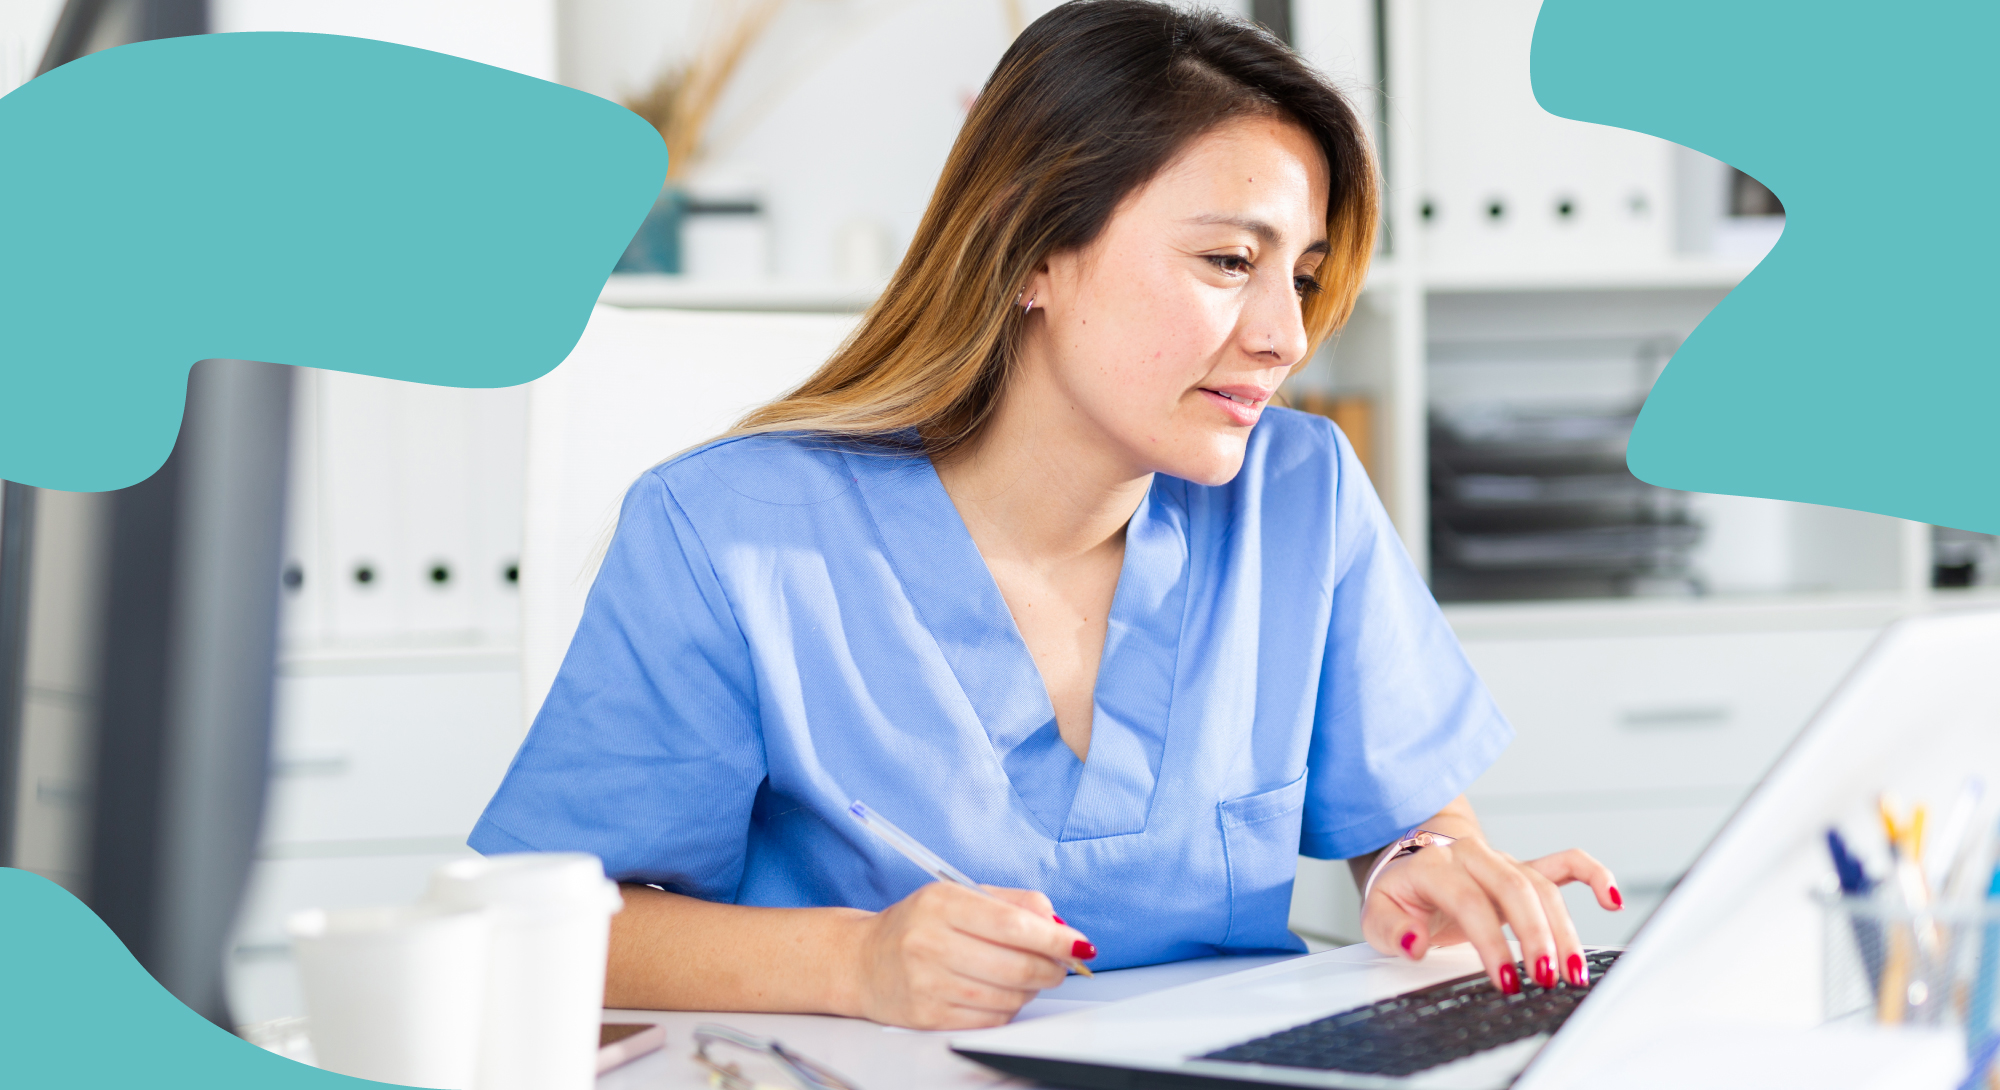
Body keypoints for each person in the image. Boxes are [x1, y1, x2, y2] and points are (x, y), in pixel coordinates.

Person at [471, 0, 1621, 1031]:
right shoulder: (730, 531)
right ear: (1031, 247)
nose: (1284, 335)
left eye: (1303, 277)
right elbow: (554, 923)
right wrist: (856, 959)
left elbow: (1415, 821)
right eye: (1228, 260)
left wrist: (1421, 869)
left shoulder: (1298, 490)